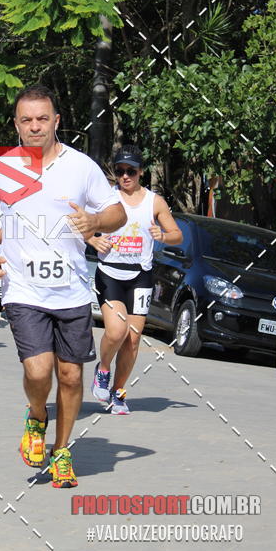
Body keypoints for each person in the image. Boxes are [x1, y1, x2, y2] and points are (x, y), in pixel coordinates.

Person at [0, 85, 126, 489]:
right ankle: (37, 414)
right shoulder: (2, 169)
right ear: (17, 125)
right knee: (39, 371)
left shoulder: (81, 167)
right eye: (27, 120)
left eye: (43, 118)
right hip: (24, 289)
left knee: (71, 376)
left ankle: (61, 452)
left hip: (72, 290)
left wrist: (96, 223)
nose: (35, 126)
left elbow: (117, 212)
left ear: (56, 121)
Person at [89, 145, 182, 413]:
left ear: (141, 172)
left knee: (133, 337)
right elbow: (78, 223)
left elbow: (177, 235)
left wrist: (162, 235)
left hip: (140, 275)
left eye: (131, 171)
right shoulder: (106, 199)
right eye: (120, 171)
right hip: (110, 273)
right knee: (116, 331)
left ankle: (118, 393)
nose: (125, 176)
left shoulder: (155, 202)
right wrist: (94, 240)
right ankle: (103, 369)